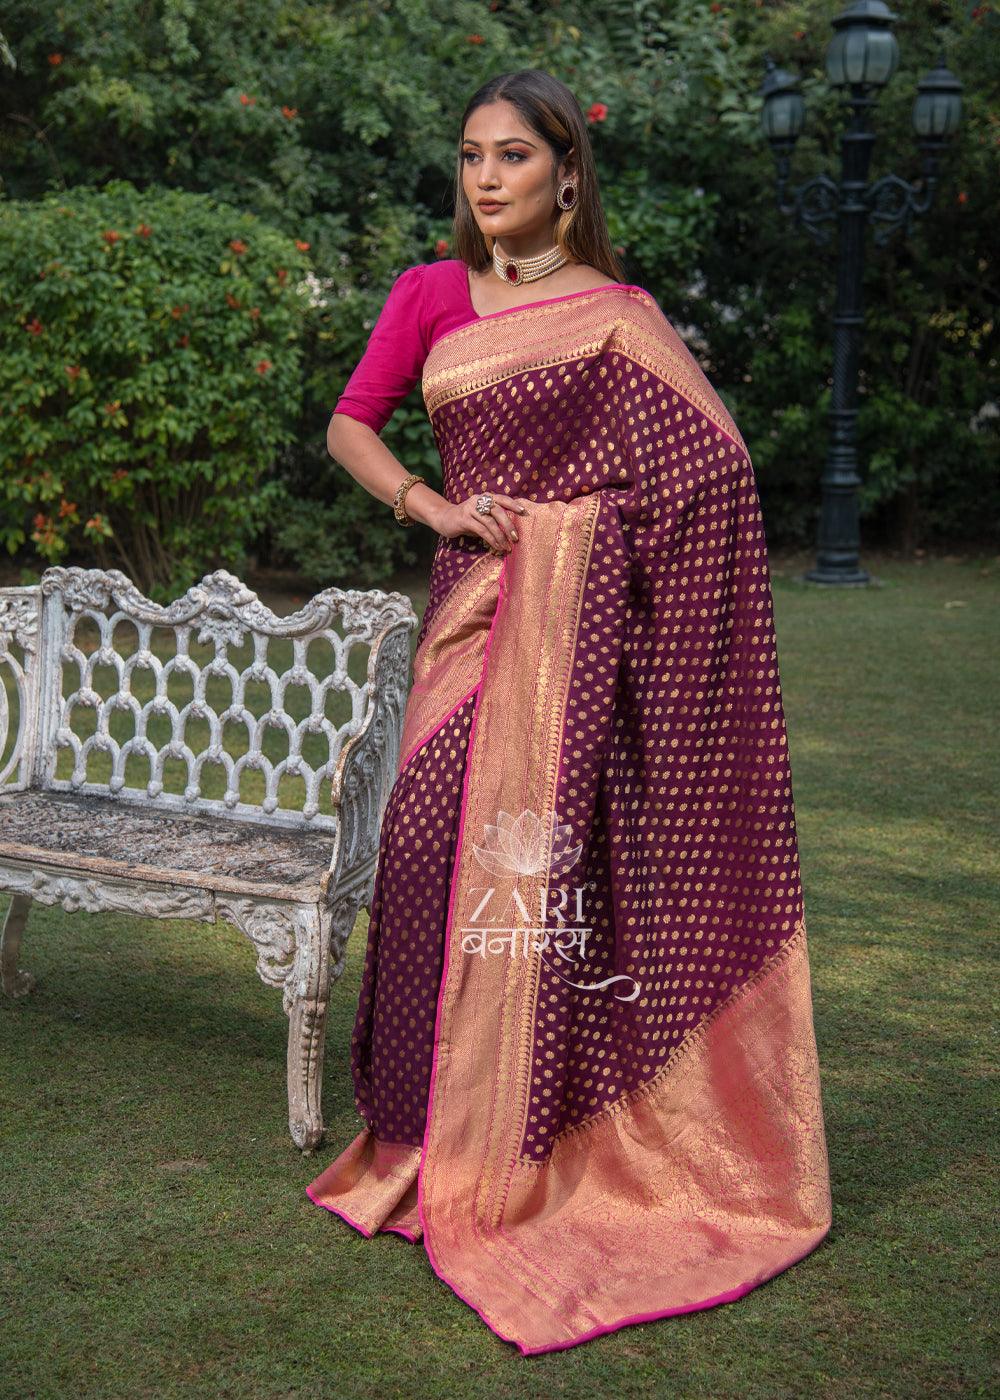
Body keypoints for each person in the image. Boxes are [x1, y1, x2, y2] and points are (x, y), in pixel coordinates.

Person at [305, 67, 832, 1357]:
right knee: (424, 847)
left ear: (566, 174)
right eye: (472, 156)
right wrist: (431, 507)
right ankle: (419, 1137)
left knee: (543, 871)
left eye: (513, 157)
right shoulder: (429, 295)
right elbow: (350, 425)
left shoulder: (618, 317)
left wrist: (575, 539)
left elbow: (716, 471)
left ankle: (541, 1127)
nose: (486, 178)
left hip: (577, 639)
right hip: (471, 617)